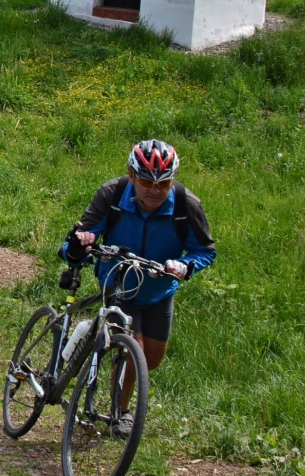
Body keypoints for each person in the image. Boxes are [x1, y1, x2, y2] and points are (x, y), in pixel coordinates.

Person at [59, 139, 216, 435]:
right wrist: (82, 243)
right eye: (146, 181)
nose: (154, 190)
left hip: (159, 290)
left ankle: (112, 371)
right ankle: (122, 412)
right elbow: (82, 235)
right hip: (118, 282)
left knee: (150, 361)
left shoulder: (186, 205)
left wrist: (186, 265)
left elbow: (205, 250)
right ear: (132, 176)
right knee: (135, 352)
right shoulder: (113, 194)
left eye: (163, 183)